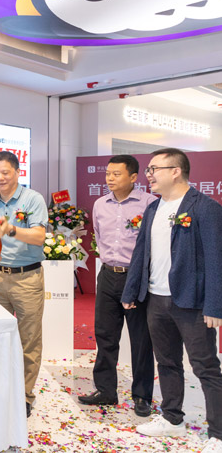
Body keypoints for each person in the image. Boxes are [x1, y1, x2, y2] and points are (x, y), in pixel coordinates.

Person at [121, 148, 222, 453]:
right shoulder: (154, 208)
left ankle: (218, 433)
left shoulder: (205, 207)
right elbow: (141, 253)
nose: (149, 175)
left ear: (176, 171)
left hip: (192, 302)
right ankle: (172, 418)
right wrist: (130, 291)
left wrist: (215, 305)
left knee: (205, 367)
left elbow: (216, 259)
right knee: (166, 362)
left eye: (155, 169)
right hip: (156, 298)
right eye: (148, 169)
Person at [77, 155, 156, 416]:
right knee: (105, 335)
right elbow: (99, 237)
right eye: (108, 174)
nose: (110, 178)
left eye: (116, 174)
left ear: (133, 177)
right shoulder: (100, 204)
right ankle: (106, 391)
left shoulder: (149, 203)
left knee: (141, 339)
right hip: (108, 274)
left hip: (136, 277)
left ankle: (142, 396)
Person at [0, 150, 47, 418]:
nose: (0, 177)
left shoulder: (33, 199)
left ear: (18, 172)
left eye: (5, 172)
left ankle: (24, 395)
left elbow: (39, 236)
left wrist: (12, 229)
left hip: (27, 278)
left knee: (29, 339)